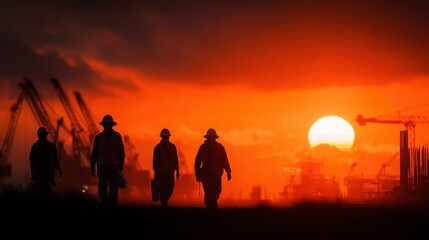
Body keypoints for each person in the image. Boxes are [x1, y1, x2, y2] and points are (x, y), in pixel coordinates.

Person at [90, 114, 126, 207]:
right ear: (104, 125)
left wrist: (120, 166)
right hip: (103, 166)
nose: (107, 126)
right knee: (103, 187)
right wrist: (92, 167)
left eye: (108, 125)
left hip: (113, 167)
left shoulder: (117, 136)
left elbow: (121, 152)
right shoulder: (98, 138)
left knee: (113, 188)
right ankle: (105, 205)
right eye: (106, 125)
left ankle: (112, 206)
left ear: (111, 125)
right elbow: (94, 153)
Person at [194, 128, 232, 209]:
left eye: (212, 138)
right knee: (208, 191)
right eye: (210, 138)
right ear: (207, 138)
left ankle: (212, 205)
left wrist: (228, 172)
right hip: (206, 174)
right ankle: (210, 207)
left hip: (216, 174)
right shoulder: (203, 148)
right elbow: (197, 162)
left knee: (217, 191)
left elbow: (225, 160)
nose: (211, 139)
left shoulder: (220, 147)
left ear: (215, 138)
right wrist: (197, 174)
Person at [29, 127, 62, 197]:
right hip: (44, 175)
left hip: (44, 176)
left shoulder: (35, 147)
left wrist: (33, 173)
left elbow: (32, 162)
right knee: (44, 193)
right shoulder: (51, 146)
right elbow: (32, 162)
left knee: (43, 193)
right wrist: (59, 168)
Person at [153, 128, 180, 207]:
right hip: (161, 173)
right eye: (165, 137)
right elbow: (155, 162)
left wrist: (177, 170)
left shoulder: (173, 147)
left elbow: (176, 159)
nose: (166, 138)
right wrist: (155, 173)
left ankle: (164, 202)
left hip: (170, 172)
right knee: (162, 190)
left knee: (170, 189)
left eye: (167, 137)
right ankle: (164, 204)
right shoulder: (157, 148)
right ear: (162, 137)